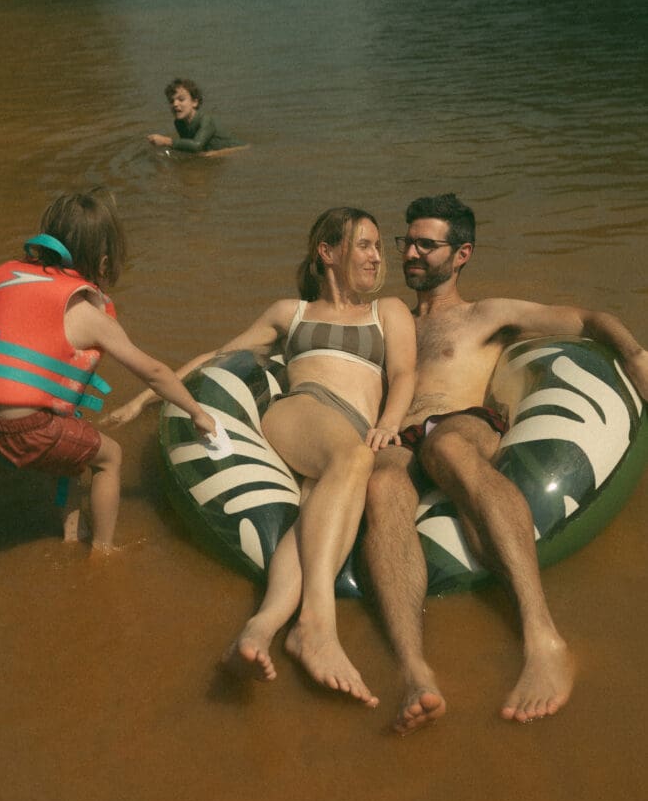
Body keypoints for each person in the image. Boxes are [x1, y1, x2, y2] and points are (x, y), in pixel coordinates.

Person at [361, 192, 648, 735]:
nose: (412, 254)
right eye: (407, 242)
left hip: (459, 425)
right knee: (381, 486)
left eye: (427, 243)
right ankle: (415, 670)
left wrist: (635, 355)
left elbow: (588, 318)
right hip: (397, 438)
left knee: (444, 446)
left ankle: (543, 639)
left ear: (462, 253)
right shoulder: (389, 324)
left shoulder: (485, 314)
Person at [105, 207, 416, 705]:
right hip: (303, 411)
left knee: (318, 506)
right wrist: (147, 397)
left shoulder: (389, 312)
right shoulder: (289, 312)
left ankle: (261, 627)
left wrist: (388, 423)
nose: (377, 255)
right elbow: (218, 357)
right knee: (352, 461)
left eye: (379, 246)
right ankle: (318, 625)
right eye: (364, 244)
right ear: (327, 252)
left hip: (355, 433)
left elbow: (403, 374)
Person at [0, 191, 215, 554]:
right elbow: (155, 372)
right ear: (103, 260)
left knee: (73, 448)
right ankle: (103, 551)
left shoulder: (9, 278)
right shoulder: (85, 314)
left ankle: (71, 533)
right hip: (22, 427)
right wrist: (197, 412)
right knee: (109, 457)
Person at [147, 77, 247, 157]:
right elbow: (188, 147)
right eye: (171, 101)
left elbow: (196, 145)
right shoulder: (179, 123)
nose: (175, 104)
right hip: (213, 153)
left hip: (239, 151)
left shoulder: (206, 120)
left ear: (194, 102)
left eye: (181, 99)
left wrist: (166, 141)